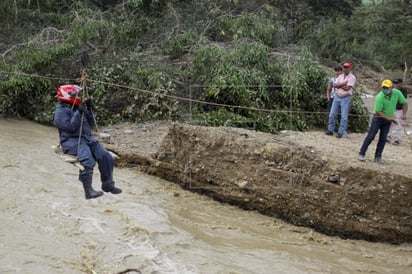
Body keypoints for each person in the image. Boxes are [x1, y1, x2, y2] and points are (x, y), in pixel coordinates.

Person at [53, 84, 122, 199]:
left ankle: (108, 185)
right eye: (75, 95)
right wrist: (79, 112)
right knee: (88, 160)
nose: (77, 97)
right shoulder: (60, 112)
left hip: (86, 139)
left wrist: (89, 109)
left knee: (106, 157)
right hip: (71, 142)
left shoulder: (76, 107)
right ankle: (88, 191)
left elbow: (91, 124)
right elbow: (71, 127)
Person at [358, 79, 408, 164]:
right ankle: (361, 153)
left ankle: (378, 156)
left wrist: (404, 114)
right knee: (371, 136)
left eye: (387, 87)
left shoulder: (397, 93)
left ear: (392, 87)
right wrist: (389, 119)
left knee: (383, 138)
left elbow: (404, 102)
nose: (385, 89)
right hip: (378, 118)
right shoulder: (380, 97)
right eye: (384, 87)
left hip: (388, 119)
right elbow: (378, 111)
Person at [326, 62, 357, 138]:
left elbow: (348, 88)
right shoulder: (340, 76)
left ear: (350, 68)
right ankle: (330, 130)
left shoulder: (352, 77)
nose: (345, 69)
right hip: (337, 96)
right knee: (332, 114)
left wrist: (339, 85)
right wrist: (343, 84)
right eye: (345, 67)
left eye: (347, 67)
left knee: (344, 116)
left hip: (345, 97)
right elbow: (334, 85)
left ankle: (341, 132)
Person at [387, 78, 408, 145]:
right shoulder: (391, 90)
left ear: (400, 84)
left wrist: (404, 114)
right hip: (391, 109)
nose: (395, 85)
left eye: (397, 83)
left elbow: (403, 101)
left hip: (399, 109)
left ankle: (397, 139)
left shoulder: (403, 90)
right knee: (389, 123)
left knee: (398, 125)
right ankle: (388, 136)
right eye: (395, 83)